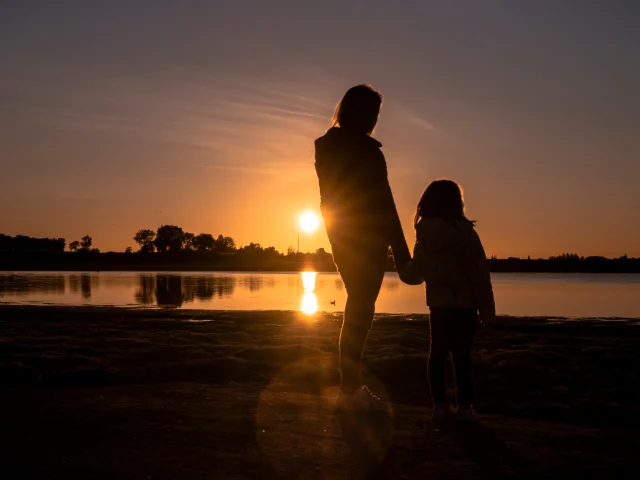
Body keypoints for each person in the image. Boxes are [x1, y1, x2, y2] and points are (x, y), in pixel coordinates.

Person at [315, 85, 411, 410]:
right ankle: (350, 390)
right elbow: (381, 202)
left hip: (353, 235)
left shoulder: (347, 147)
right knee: (360, 308)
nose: (372, 119)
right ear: (351, 109)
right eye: (368, 111)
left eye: (376, 114)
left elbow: (383, 202)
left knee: (360, 308)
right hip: (353, 235)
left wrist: (399, 253)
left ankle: (349, 388)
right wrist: (402, 255)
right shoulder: (346, 149)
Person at [400, 179, 495, 422]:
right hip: (465, 306)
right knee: (462, 356)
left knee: (437, 354)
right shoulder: (466, 234)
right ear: (457, 203)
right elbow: (479, 275)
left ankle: (440, 406)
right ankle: (465, 407)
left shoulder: (426, 238)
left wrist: (402, 267)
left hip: (439, 306)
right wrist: (487, 312)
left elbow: (416, 275)